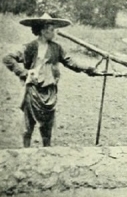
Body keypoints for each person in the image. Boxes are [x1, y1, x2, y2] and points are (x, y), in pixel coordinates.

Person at [3, 13, 98, 147]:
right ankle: (25, 151)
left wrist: (88, 68)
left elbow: (70, 62)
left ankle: (47, 151)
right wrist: (23, 73)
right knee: (28, 125)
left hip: (49, 90)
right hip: (33, 89)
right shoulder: (30, 47)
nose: (54, 33)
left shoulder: (56, 48)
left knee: (47, 127)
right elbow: (8, 58)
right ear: (43, 31)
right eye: (51, 30)